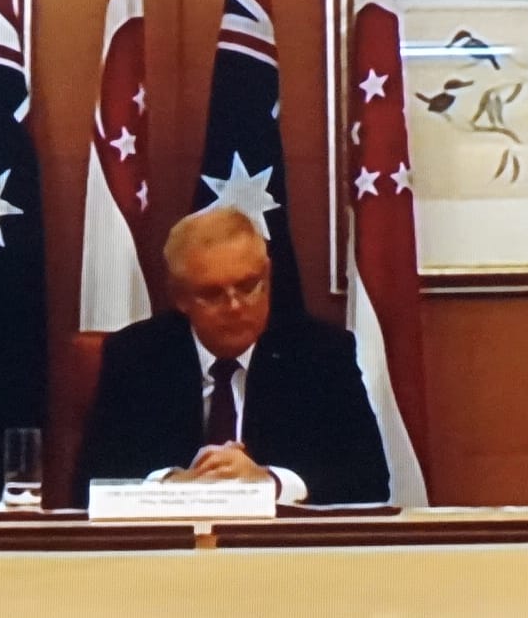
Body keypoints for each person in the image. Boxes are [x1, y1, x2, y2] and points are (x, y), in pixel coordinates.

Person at [73, 207, 392, 505]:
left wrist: (270, 482)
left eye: (248, 285)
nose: (235, 306)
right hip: (170, 556)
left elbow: (368, 480)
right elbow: (89, 485)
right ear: (181, 297)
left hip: (281, 557)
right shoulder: (137, 356)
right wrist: (168, 487)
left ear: (267, 277)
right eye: (213, 294)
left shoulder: (319, 354)